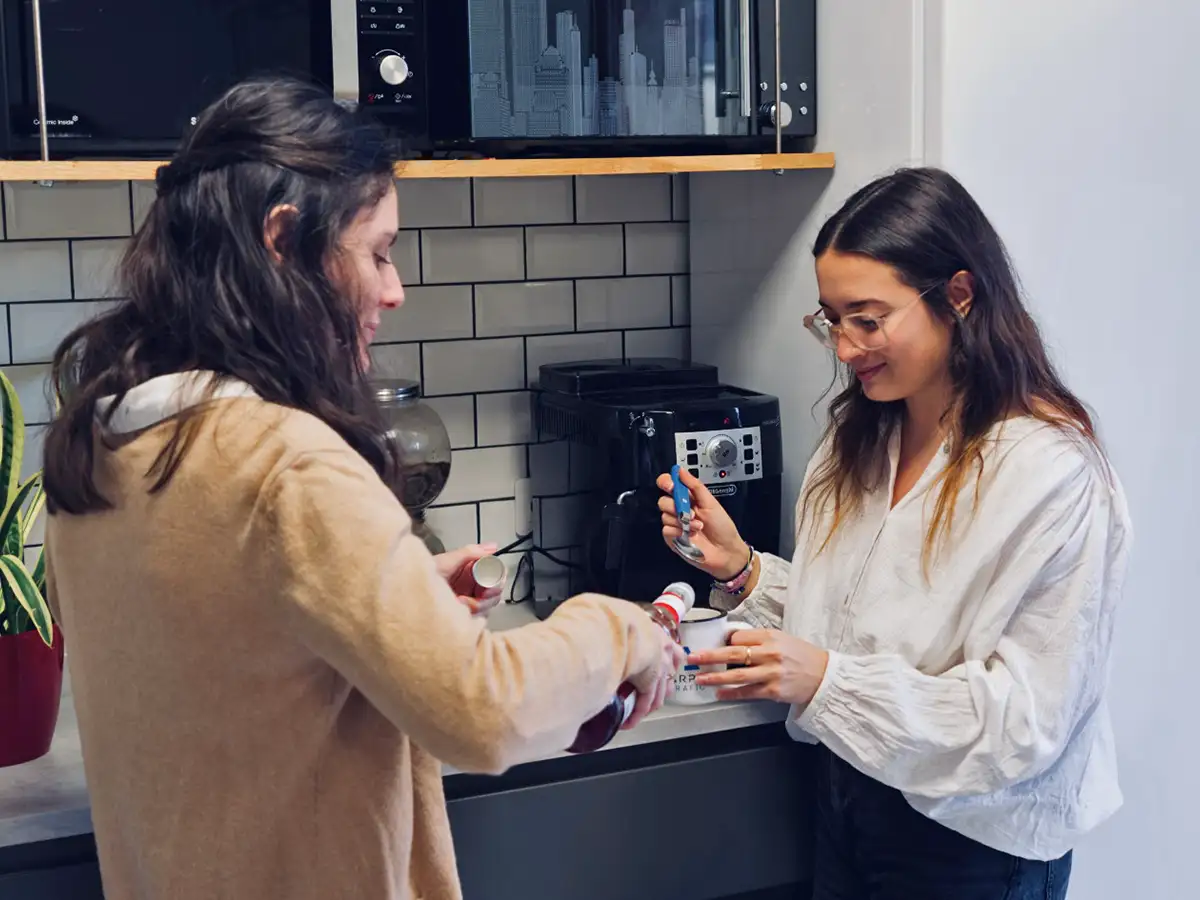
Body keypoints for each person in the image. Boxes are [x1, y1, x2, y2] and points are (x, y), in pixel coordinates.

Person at [41, 77, 683, 900]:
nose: (394, 288)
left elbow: (231, 657)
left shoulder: (100, 450)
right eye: (377, 251)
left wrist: (399, 599)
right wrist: (621, 629)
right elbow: (485, 712)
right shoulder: (287, 464)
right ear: (284, 240)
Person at [658, 167, 1131, 899]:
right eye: (830, 319)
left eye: (868, 320)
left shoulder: (1049, 472)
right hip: (848, 795)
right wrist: (744, 570)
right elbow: (851, 634)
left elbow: (1024, 725)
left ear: (959, 296)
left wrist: (826, 682)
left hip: (973, 843)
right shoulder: (861, 438)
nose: (846, 349)